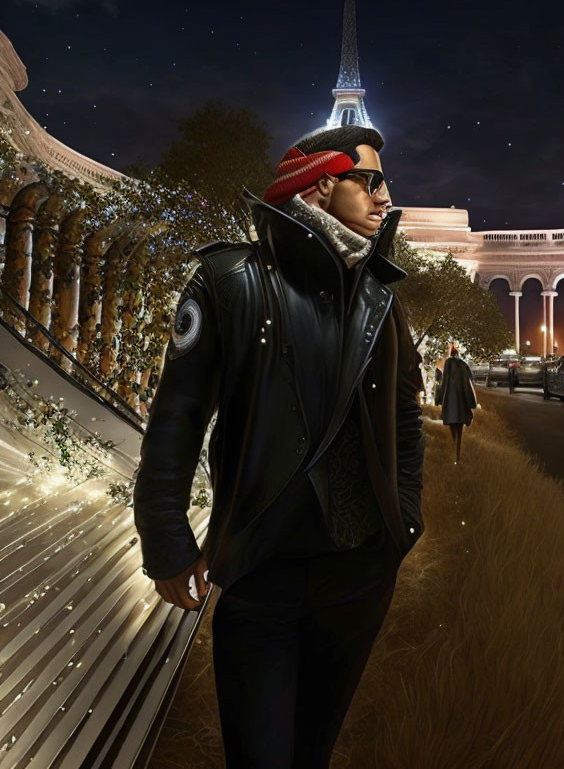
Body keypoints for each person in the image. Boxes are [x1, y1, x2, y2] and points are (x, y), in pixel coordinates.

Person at [132, 124, 425, 769]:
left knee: (311, 754)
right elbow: (177, 416)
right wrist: (166, 540)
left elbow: (404, 418)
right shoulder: (227, 280)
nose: (386, 198)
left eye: (386, 185)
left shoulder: (382, 295)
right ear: (322, 184)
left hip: (359, 574)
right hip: (261, 570)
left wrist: (403, 519)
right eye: (371, 181)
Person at [435, 345, 476, 464]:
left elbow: (444, 382)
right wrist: (471, 403)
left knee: (453, 430)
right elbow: (469, 381)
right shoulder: (463, 364)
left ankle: (455, 455)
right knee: (460, 430)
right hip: (461, 403)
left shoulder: (448, 363)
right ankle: (457, 456)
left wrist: (439, 398)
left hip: (450, 402)